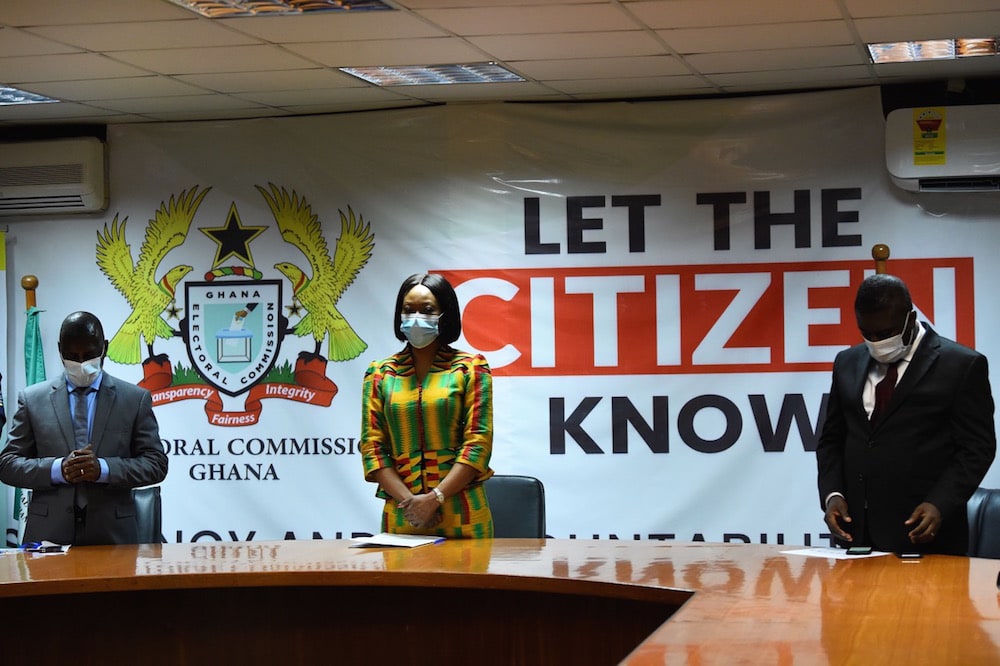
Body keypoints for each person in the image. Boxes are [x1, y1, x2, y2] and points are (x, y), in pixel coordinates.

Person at [817, 274, 996, 555]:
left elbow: (978, 448)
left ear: (911, 319)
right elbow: (831, 439)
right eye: (868, 334)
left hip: (926, 536)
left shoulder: (961, 365)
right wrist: (833, 494)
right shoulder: (846, 362)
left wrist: (940, 503)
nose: (877, 343)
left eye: (886, 334)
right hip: (857, 538)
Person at [0, 311, 167, 546]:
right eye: (72, 356)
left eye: (89, 355)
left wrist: (104, 469)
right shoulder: (32, 399)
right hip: (48, 538)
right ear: (60, 351)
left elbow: (156, 464)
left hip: (114, 538)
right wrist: (58, 469)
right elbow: (7, 464)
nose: (80, 363)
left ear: (104, 348)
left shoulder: (134, 399)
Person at [360, 273, 494, 538]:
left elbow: (478, 444)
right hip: (402, 513)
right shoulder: (380, 373)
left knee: (472, 579)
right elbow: (372, 447)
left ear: (445, 314)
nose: (416, 317)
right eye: (408, 310)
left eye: (428, 310)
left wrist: (435, 498)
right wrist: (411, 503)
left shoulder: (470, 368)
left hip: (464, 512)